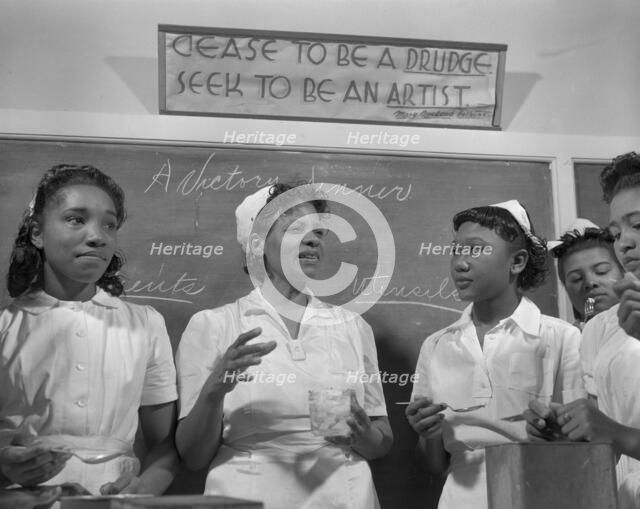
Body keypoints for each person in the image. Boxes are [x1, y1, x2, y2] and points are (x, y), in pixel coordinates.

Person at [175, 183, 392, 509]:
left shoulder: (351, 326)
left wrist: (364, 436)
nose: (313, 239)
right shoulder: (213, 325)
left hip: (342, 494)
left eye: (319, 232)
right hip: (248, 492)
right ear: (257, 243)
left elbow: (380, 439)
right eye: (295, 228)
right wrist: (214, 389)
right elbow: (193, 456)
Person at [0, 164, 179, 496]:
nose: (97, 236)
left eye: (109, 225)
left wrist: (139, 491)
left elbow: (166, 449)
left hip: (115, 498)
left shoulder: (145, 324)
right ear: (37, 233)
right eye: (75, 219)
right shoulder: (7, 327)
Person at [405, 199, 585, 509]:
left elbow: (584, 443)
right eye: (456, 250)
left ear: (516, 262)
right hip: (459, 498)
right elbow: (434, 464)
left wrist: (555, 433)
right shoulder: (437, 345)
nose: (460, 262)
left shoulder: (560, 337)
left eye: (475, 250)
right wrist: (428, 433)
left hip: (538, 492)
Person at [525, 152, 640, 508]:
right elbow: (606, 438)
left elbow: (618, 433)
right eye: (616, 232)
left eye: (639, 225)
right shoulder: (600, 329)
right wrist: (571, 432)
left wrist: (618, 434)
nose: (625, 242)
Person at [548, 218, 623, 328]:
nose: (590, 282)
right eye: (576, 279)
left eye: (601, 271)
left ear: (624, 272)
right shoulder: (567, 341)